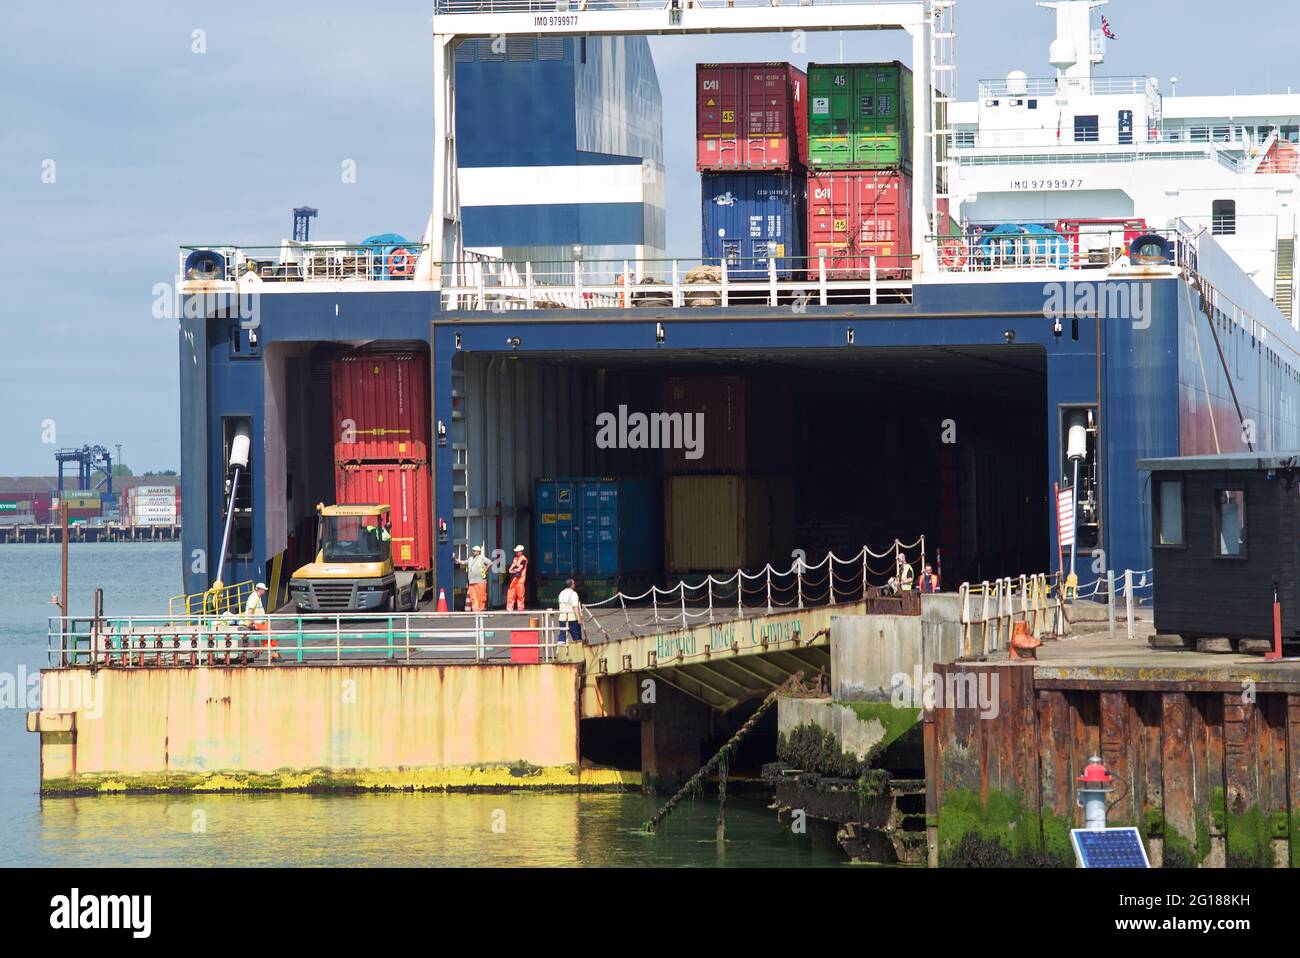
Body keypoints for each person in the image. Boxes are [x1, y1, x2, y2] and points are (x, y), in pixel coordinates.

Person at [455, 545, 492, 612]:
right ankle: (475, 610)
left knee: (481, 596)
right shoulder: (471, 559)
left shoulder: (481, 558)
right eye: (473, 551)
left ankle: (481, 609)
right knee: (473, 597)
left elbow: (490, 562)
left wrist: (485, 569)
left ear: (478, 552)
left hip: (480, 581)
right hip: (472, 582)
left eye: (474, 551)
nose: (473, 552)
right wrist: (457, 560)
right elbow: (464, 562)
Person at [557, 578, 582, 645]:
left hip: (562, 618)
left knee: (562, 634)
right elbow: (575, 607)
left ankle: (559, 650)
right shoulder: (573, 594)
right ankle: (579, 651)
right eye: (574, 583)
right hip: (572, 619)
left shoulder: (561, 593)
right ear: (572, 585)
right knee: (577, 637)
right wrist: (579, 619)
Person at [506, 545, 529, 612]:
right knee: (511, 594)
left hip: (520, 580)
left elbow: (519, 569)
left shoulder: (523, 559)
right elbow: (511, 568)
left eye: (517, 551)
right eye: (516, 552)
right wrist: (512, 570)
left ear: (521, 552)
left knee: (520, 595)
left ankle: (520, 609)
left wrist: (512, 570)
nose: (516, 553)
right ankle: (509, 608)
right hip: (513, 579)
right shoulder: (515, 558)